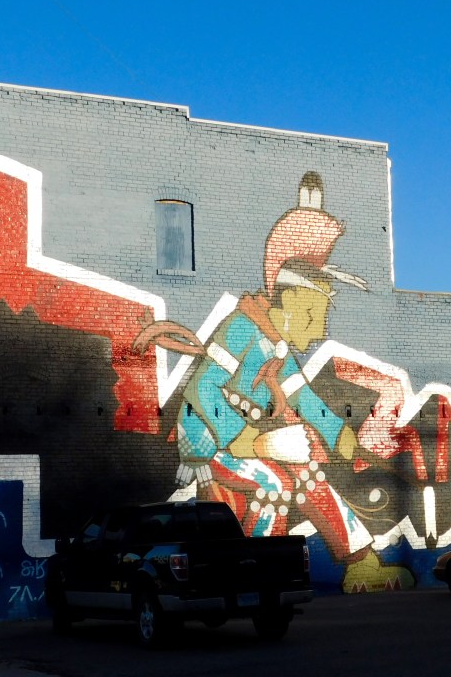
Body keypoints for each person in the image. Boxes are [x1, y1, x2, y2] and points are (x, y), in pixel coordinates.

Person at [143, 172, 414, 592]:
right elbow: (202, 390)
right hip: (208, 443)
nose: (319, 329)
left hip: (246, 441)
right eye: (312, 315)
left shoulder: (278, 350)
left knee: (308, 474)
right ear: (286, 302)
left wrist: (344, 439)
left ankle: (361, 562)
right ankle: (255, 573)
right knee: (273, 483)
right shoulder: (240, 330)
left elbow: (305, 399)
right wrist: (257, 444)